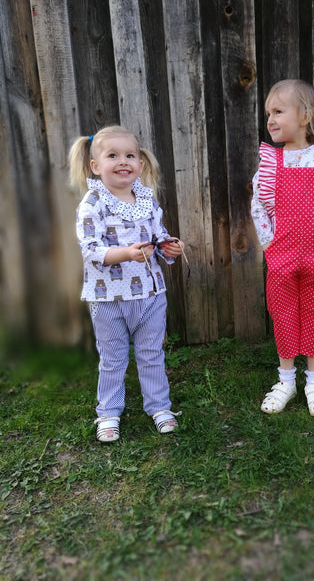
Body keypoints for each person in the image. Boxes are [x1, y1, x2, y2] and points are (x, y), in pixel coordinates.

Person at [69, 125, 184, 442]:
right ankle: (108, 412)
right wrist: (126, 254)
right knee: (113, 358)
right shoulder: (93, 203)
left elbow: (158, 236)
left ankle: (159, 407)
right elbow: (91, 250)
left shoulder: (147, 200)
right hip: (108, 299)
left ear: (140, 163)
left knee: (151, 354)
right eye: (113, 156)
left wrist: (169, 247)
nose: (123, 161)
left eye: (130, 155)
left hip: (150, 294)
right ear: (95, 166)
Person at [251, 79, 314, 417]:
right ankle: (286, 379)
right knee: (283, 312)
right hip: (281, 254)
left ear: (305, 116)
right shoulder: (271, 162)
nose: (271, 119)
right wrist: (269, 244)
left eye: (278, 111)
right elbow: (258, 206)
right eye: (268, 113)